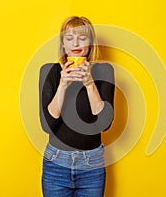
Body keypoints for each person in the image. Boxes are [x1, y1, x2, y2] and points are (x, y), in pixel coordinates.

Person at [40, 16, 115, 197]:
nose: (76, 43)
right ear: (63, 44)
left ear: (90, 43)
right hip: (56, 164)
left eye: (82, 38)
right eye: (69, 38)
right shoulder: (49, 71)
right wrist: (63, 85)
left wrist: (89, 84)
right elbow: (47, 125)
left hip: (92, 166)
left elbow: (104, 123)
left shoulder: (104, 71)